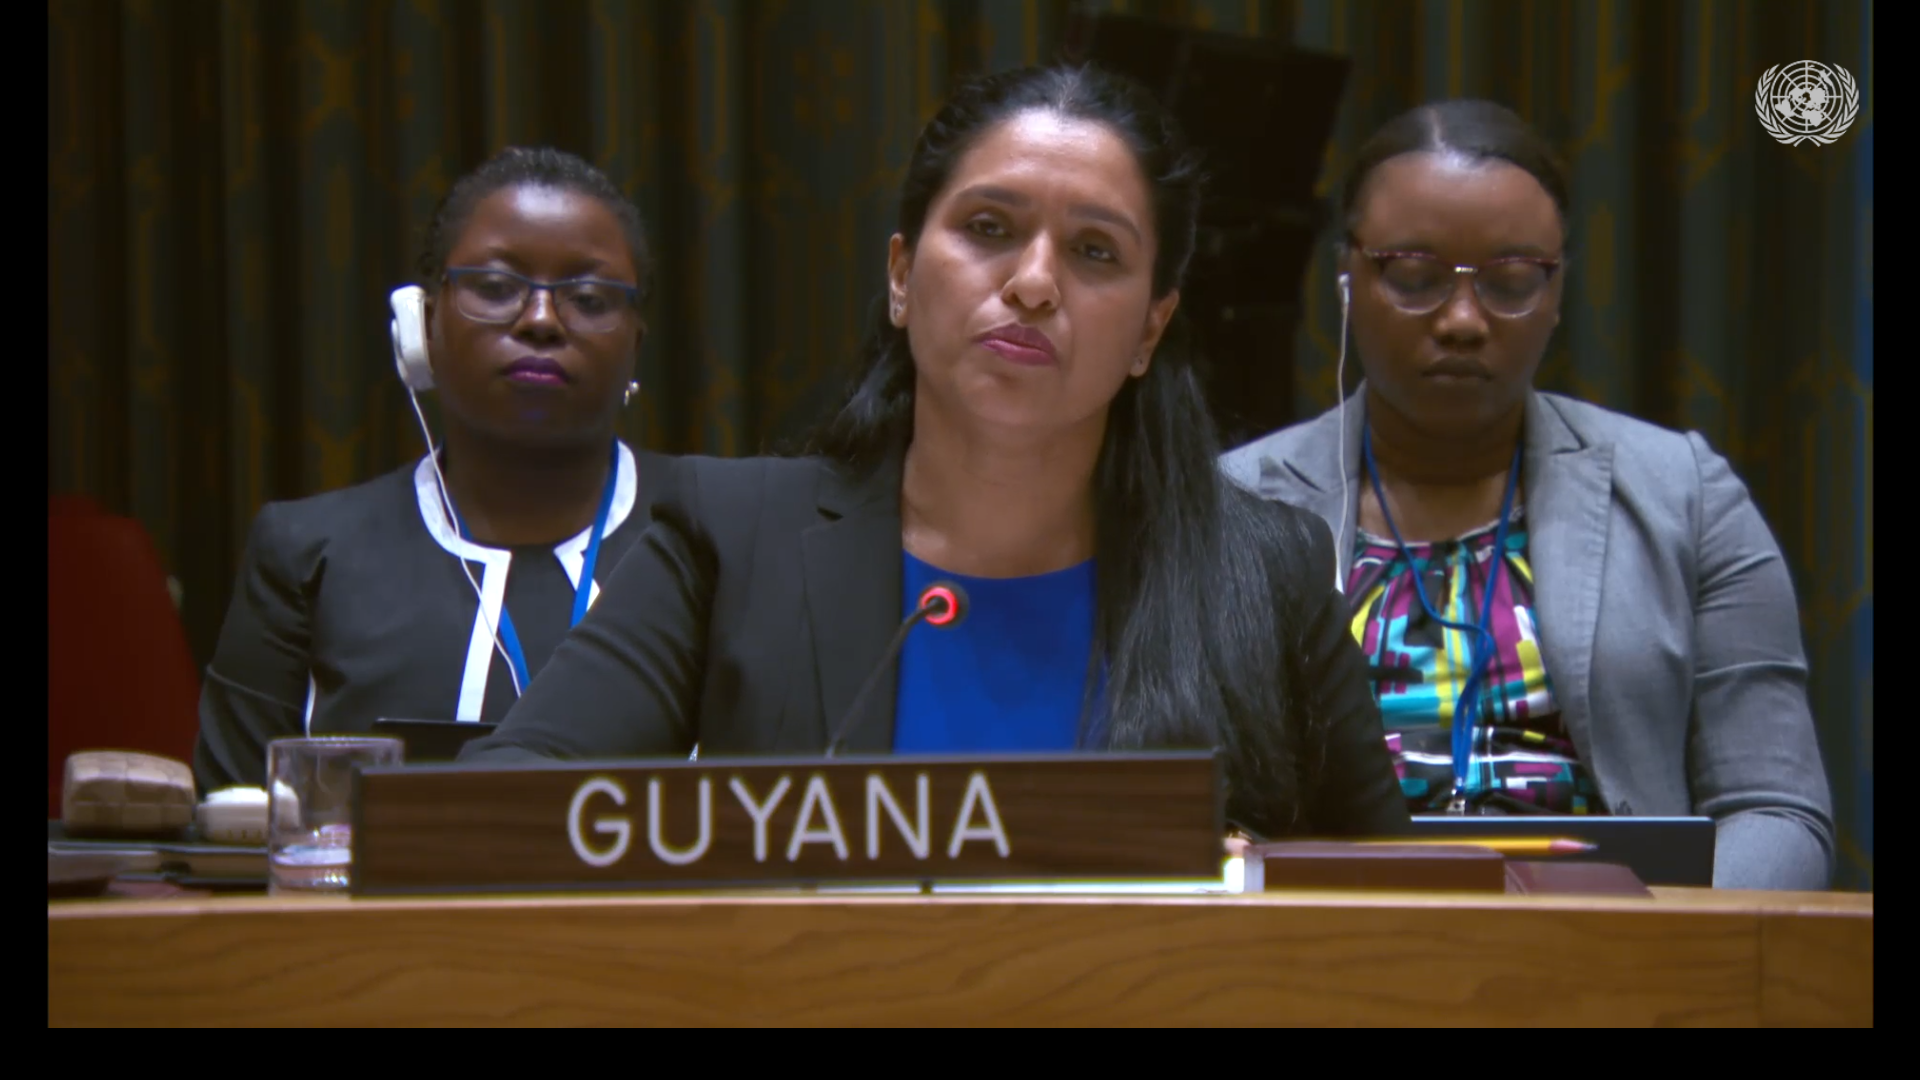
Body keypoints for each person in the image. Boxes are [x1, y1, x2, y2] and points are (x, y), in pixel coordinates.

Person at [458, 64, 1409, 842]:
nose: (1035, 283)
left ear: (1150, 331)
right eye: (989, 229)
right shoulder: (732, 535)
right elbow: (504, 799)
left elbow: (1394, 903)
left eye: (1095, 254)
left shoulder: (1265, 569)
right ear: (904, 277)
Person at [1220, 100, 1834, 889]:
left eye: (1511, 282)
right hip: (1328, 959)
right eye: (1414, 277)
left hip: (1618, 958)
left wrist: (1662, 953)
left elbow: (1776, 811)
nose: (1464, 320)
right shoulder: (1232, 507)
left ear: (1557, 293)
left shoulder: (1687, 494)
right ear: (1348, 283)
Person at [194, 147, 673, 791]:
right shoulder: (306, 552)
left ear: (635, 342)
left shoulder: (717, 535)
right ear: (420, 331)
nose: (540, 320)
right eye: (497, 288)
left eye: (588, 297)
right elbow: (233, 830)